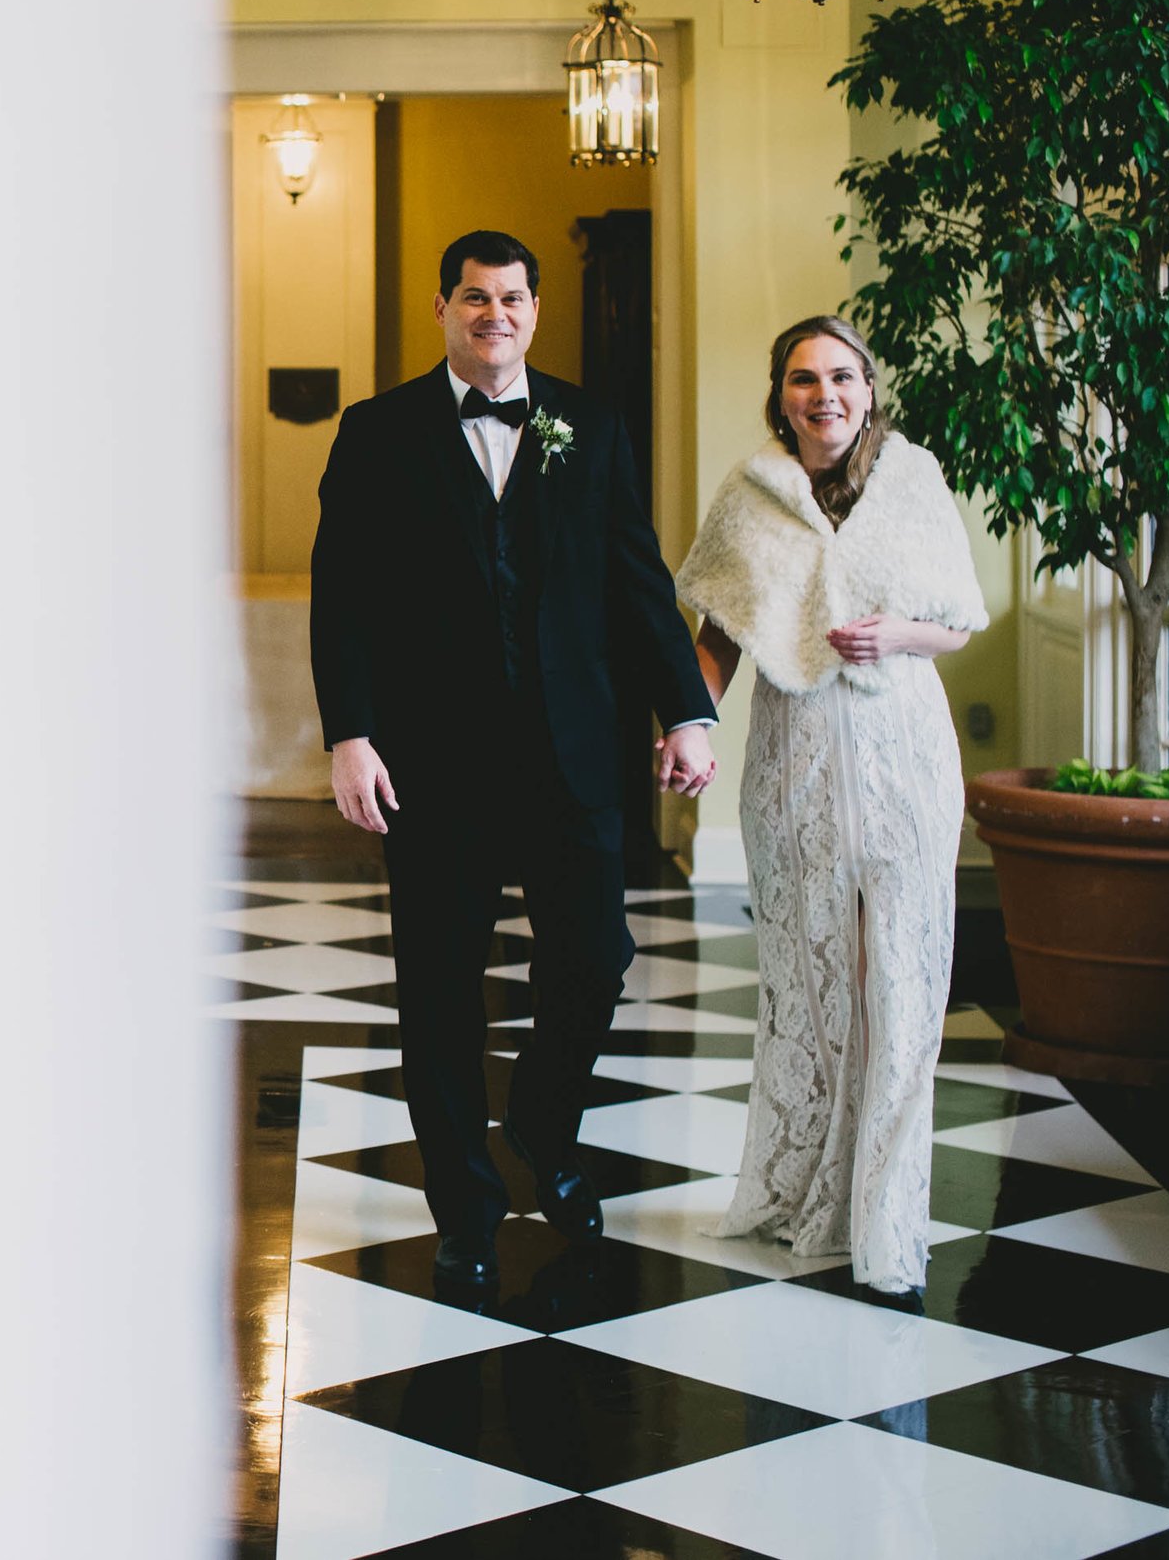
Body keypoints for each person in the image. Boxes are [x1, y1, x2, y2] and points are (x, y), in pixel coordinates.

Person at [309, 230, 718, 1296]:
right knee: (439, 992)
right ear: (441, 308)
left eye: (514, 300)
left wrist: (686, 710)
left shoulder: (589, 424)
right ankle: (465, 1207)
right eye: (475, 299)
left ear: (535, 312)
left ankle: (542, 1121)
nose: (496, 316)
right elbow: (343, 593)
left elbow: (637, 579)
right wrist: (348, 732)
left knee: (596, 953)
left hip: (568, 755)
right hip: (429, 766)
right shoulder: (377, 430)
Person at [675, 314, 987, 1302]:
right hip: (795, 763)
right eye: (804, 379)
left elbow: (956, 620)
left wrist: (897, 631)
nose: (825, 395)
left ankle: (884, 1214)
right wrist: (689, 725)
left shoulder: (915, 479)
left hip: (904, 760)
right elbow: (717, 631)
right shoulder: (751, 494)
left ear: (867, 388)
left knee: (897, 979)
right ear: (780, 394)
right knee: (814, 984)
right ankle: (807, 1190)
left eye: (842, 377)